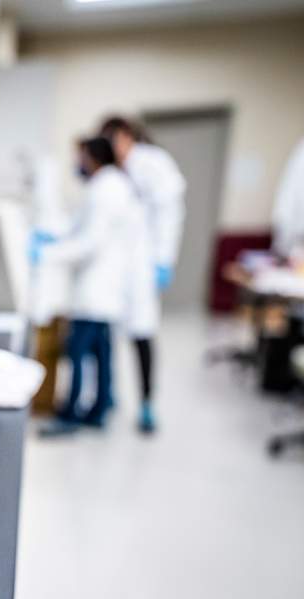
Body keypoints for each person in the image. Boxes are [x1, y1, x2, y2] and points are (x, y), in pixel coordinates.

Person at [38, 136, 149, 436]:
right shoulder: (107, 187)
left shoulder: (106, 190)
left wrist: (47, 253)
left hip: (97, 289)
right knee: (101, 354)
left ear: (92, 157)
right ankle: (98, 410)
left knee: (76, 351)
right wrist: (54, 236)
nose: (77, 164)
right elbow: (78, 227)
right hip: (105, 289)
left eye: (80, 157)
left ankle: (71, 414)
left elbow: (90, 242)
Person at [100, 116, 186, 434]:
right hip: (116, 263)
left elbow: (170, 214)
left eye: (112, 139)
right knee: (107, 332)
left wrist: (164, 260)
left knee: (141, 332)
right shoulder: (113, 171)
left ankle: (147, 403)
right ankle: (107, 396)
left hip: (144, 262)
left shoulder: (153, 162)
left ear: (126, 135)